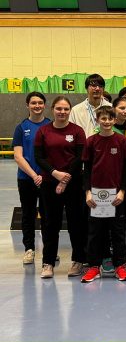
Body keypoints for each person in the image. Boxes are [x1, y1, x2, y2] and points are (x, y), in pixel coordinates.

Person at [34, 96, 87, 279]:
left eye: (65, 109)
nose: (62, 112)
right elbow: (39, 157)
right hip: (49, 184)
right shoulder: (43, 131)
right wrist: (55, 173)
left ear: (70, 110)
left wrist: (65, 180)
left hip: (73, 184)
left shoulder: (77, 131)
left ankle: (78, 260)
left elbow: (79, 157)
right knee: (50, 224)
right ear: (53, 110)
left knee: (75, 223)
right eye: (59, 108)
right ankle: (48, 263)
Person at [80, 106, 126, 283]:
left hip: (116, 195)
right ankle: (94, 266)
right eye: (103, 118)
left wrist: (122, 191)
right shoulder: (91, 141)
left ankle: (120, 266)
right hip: (95, 195)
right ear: (97, 120)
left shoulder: (122, 141)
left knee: (118, 232)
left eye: (110, 118)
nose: (107, 122)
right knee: (95, 232)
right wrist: (88, 192)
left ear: (114, 120)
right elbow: (87, 170)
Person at [13, 92, 50, 265]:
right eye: (33, 103)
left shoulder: (50, 125)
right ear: (27, 105)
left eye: (40, 103)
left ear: (44, 105)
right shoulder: (21, 128)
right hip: (27, 179)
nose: (37, 106)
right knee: (28, 214)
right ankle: (29, 249)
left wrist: (44, 174)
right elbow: (18, 156)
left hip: (47, 179)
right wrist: (34, 175)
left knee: (48, 215)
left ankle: (49, 249)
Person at [69, 73, 111, 137]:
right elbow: (71, 132)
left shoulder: (110, 107)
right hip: (83, 143)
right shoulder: (76, 110)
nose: (97, 88)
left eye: (100, 86)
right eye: (94, 86)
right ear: (86, 88)